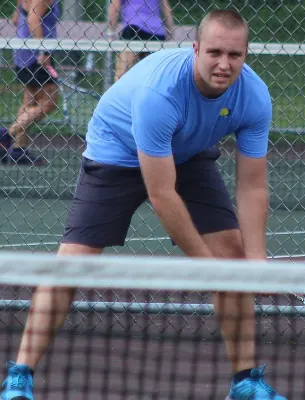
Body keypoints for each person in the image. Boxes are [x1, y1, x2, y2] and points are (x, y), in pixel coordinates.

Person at [0, 9, 287, 400]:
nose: (224, 64)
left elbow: (252, 186)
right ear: (196, 48)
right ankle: (19, 378)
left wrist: (255, 260)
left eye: (234, 55)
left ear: (246, 55)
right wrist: (207, 269)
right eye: (215, 52)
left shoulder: (254, 97)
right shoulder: (161, 92)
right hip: (116, 151)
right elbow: (162, 194)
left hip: (188, 153)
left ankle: (246, 384)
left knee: (233, 260)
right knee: (71, 263)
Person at [0, 0, 59, 166]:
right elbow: (33, 19)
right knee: (50, 102)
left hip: (24, 51)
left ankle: (19, 150)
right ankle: (6, 134)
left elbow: (15, 18)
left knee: (30, 101)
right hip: (35, 54)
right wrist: (44, 51)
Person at [107, 0, 175, 81]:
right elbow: (166, 8)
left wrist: (110, 32)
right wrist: (170, 32)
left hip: (133, 27)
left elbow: (114, 8)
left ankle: (120, 92)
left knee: (123, 74)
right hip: (156, 32)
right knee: (152, 77)